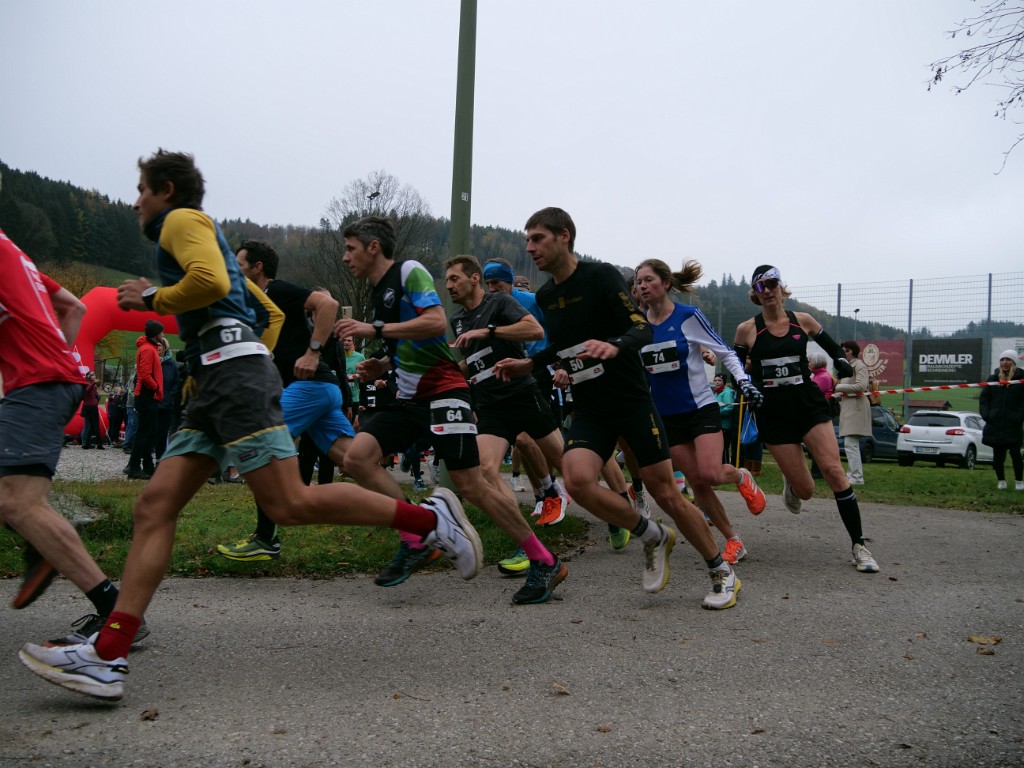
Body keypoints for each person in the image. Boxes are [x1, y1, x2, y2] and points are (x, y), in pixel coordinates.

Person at [18, 149, 482, 702]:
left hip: (231, 380)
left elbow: (211, 282)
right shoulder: (196, 231)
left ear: (167, 190)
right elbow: (263, 313)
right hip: (213, 386)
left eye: (142, 190)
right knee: (154, 507)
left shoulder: (180, 221)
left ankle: (428, 520)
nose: (136, 201)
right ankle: (108, 655)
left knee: (289, 504)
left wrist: (155, 299)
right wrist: (229, 354)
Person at [494, 207, 741, 610]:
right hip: (590, 406)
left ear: (564, 236)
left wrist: (615, 346)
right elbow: (561, 346)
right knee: (577, 480)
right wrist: (530, 363)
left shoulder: (601, 276)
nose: (529, 248)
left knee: (667, 493)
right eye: (527, 240)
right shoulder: (546, 296)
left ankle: (721, 570)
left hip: (631, 401)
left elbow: (640, 327)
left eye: (537, 238)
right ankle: (653, 536)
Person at [333, 216, 565, 604]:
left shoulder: (408, 271)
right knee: (357, 459)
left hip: (443, 392)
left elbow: (433, 322)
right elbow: (412, 343)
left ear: (373, 247)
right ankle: (418, 533)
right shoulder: (378, 292)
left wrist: (373, 330)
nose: (345, 257)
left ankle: (544, 560)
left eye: (350, 248)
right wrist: (383, 365)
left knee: (472, 485)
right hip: (410, 399)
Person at [0, 211, 142, 645]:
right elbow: (74, 307)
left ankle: (115, 613)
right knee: (18, 501)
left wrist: (41, 362)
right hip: (53, 380)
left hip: (36, 384)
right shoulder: (16, 255)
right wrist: (57, 355)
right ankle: (41, 539)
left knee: (19, 503)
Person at [216, 242, 363, 561]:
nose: (234, 270)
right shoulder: (256, 304)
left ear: (257, 267)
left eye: (239, 264)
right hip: (322, 389)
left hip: (309, 386)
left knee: (260, 440)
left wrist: (312, 352)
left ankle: (265, 538)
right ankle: (423, 521)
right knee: (355, 462)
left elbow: (328, 304)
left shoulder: (276, 290)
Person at [733, 265, 879, 574]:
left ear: (781, 287)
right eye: (760, 286)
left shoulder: (803, 321)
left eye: (772, 283)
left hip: (807, 403)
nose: (767, 290)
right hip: (773, 410)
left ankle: (859, 546)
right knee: (807, 490)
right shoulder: (747, 330)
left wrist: (840, 360)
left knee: (834, 471)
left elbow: (833, 348)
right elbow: (733, 368)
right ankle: (792, 481)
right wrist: (744, 385)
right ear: (755, 294)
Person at [634, 258, 767, 566]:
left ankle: (741, 475)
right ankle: (733, 540)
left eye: (649, 279)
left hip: (700, 408)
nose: (642, 286)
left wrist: (744, 382)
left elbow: (725, 352)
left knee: (711, 473)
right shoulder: (638, 327)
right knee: (697, 482)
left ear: (666, 283)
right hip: (667, 417)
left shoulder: (688, 316)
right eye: (638, 281)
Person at [446, 255, 569, 528]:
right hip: (490, 403)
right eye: (447, 281)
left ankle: (618, 514)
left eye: (454, 279)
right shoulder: (457, 319)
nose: (449, 286)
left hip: (521, 394)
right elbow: (473, 360)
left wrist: (488, 332)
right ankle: (525, 539)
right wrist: (442, 376)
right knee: (485, 468)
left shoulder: (500, 302)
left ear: (474, 278)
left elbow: (535, 330)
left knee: (567, 466)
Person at [125, 319, 164, 479]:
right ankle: (134, 466)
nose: (163, 334)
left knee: (148, 432)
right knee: (143, 433)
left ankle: (147, 466)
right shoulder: (148, 350)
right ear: (156, 334)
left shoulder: (148, 348)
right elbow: (145, 374)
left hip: (147, 395)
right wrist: (156, 387)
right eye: (161, 331)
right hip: (147, 395)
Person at [980, 349, 1024, 491]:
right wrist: (987, 415)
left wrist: (1018, 417)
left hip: (1013, 424)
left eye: (1008, 360)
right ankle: (1001, 481)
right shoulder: (993, 379)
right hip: (995, 424)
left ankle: (1019, 482)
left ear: (1014, 362)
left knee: (1016, 454)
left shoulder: (1021, 379)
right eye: (1002, 360)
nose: (1005, 362)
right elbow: (984, 399)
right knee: (998, 455)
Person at [836, 340, 870, 486]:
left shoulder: (859, 366)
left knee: (851, 444)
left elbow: (861, 386)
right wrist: (837, 395)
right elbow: (847, 389)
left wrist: (838, 387)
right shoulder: (846, 367)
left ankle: (856, 477)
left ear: (854, 352)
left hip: (857, 408)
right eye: (844, 351)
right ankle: (853, 475)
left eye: (848, 351)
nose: (845, 353)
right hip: (848, 407)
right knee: (850, 444)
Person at [808, 354, 837, 479]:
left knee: (819, 444)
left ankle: (818, 471)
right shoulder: (818, 376)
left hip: (820, 412)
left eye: (810, 361)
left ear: (816, 363)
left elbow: (812, 393)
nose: (808, 364)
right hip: (817, 412)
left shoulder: (823, 377)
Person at [155, 338, 179, 459]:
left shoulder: (171, 364)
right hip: (152, 403)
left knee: (162, 433)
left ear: (165, 347)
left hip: (166, 403)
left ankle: (160, 458)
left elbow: (176, 382)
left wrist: (171, 394)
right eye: (156, 345)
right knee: (150, 432)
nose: (157, 347)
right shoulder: (150, 361)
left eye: (160, 345)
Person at [712, 374, 737, 466]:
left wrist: (716, 414)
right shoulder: (716, 392)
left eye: (719, 380)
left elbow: (729, 408)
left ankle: (726, 466)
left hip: (725, 425)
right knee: (717, 448)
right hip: (717, 424)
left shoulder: (727, 392)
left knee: (724, 448)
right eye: (715, 380)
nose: (717, 382)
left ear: (724, 382)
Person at [79, 371, 104, 449]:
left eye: (94, 375)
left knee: (89, 425)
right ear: (89, 377)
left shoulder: (91, 385)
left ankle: (86, 443)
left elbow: (95, 395)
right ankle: (98, 444)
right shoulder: (88, 384)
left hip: (88, 406)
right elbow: (87, 390)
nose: (94, 376)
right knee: (94, 426)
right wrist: (94, 383)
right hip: (91, 407)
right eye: (93, 375)